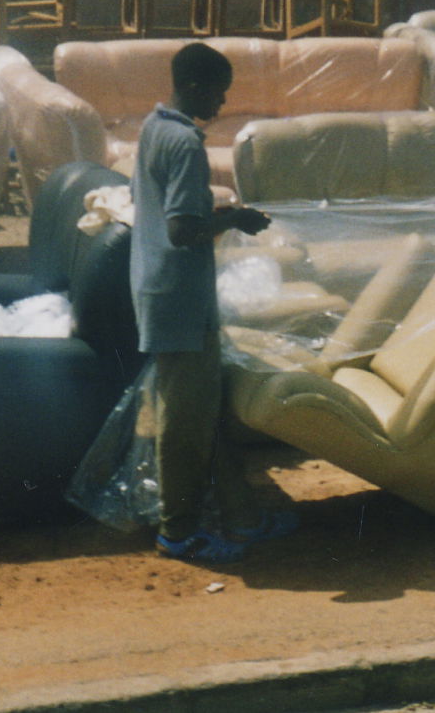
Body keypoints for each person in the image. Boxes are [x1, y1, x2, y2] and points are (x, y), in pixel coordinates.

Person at [130, 41, 290, 562]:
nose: (221, 105)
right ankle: (178, 532)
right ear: (195, 86)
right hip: (180, 297)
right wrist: (236, 220)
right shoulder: (184, 146)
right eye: (219, 94)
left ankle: (237, 513)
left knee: (200, 410)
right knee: (185, 423)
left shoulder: (154, 127)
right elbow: (182, 229)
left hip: (159, 288)